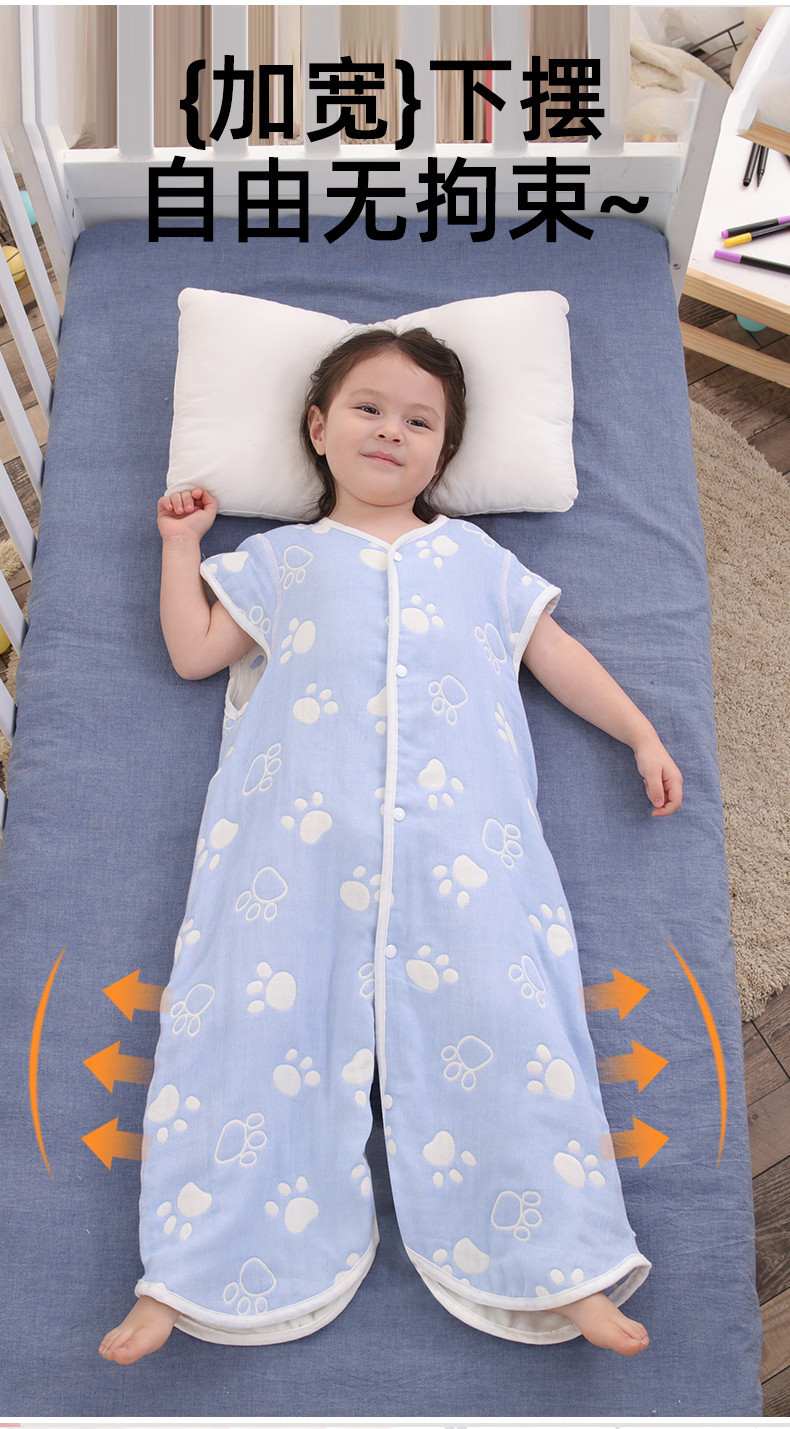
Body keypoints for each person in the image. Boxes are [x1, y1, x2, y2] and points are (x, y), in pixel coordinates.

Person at [100, 327, 682, 1367]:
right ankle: (186, 1273)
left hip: (466, 851)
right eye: (369, 409)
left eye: (420, 422)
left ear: (443, 454)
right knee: (241, 1032)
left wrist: (639, 732)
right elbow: (194, 652)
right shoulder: (281, 559)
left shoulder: (476, 560)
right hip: (290, 851)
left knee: (512, 1021)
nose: (390, 431)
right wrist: (180, 548)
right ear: (319, 428)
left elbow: (554, 654)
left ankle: (568, 1261)